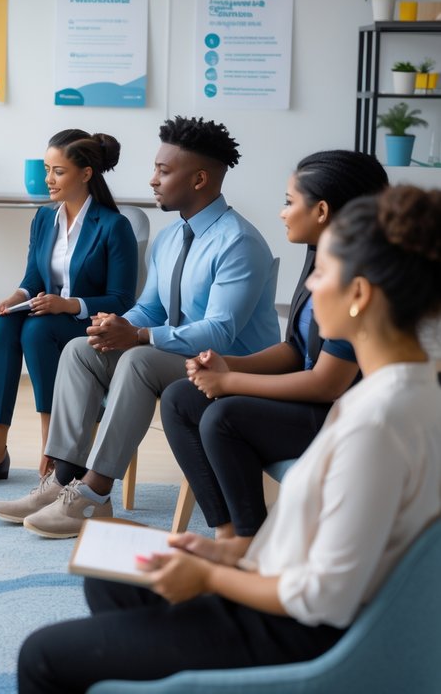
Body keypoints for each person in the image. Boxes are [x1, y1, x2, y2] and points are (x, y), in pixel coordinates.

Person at [17, 184, 441, 693]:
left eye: (322, 272)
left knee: (42, 656)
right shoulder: (408, 390)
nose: (310, 284)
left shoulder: (377, 425)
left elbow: (323, 596)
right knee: (112, 576)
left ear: (359, 296)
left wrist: (211, 577)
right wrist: (228, 554)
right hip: (281, 584)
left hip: (295, 631)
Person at [0, 116, 279, 538]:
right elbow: (150, 308)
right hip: (181, 356)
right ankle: (62, 478)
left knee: (140, 360)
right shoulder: (170, 237)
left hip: (231, 365)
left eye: (163, 171)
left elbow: (220, 332)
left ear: (199, 179)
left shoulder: (238, 242)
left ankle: (94, 494)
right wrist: (117, 324)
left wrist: (140, 336)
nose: (153, 180)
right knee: (81, 350)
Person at [162, 150, 388, 540]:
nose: (282, 213)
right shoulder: (319, 254)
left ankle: (249, 537)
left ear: (321, 211)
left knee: (224, 416)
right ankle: (228, 532)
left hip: (343, 414)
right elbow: (294, 349)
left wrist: (229, 383)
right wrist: (227, 364)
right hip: (312, 403)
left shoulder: (360, 275)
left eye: (289, 202)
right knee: (180, 398)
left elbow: (328, 384)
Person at [0, 130, 137, 486]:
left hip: (88, 326)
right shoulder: (44, 218)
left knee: (38, 329)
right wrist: (16, 297)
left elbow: (122, 300)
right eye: (47, 169)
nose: (49, 179)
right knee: (2, 325)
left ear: (85, 174)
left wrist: (67, 304)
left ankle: (53, 447)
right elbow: (33, 277)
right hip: (48, 317)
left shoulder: (114, 226)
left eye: (58, 171)